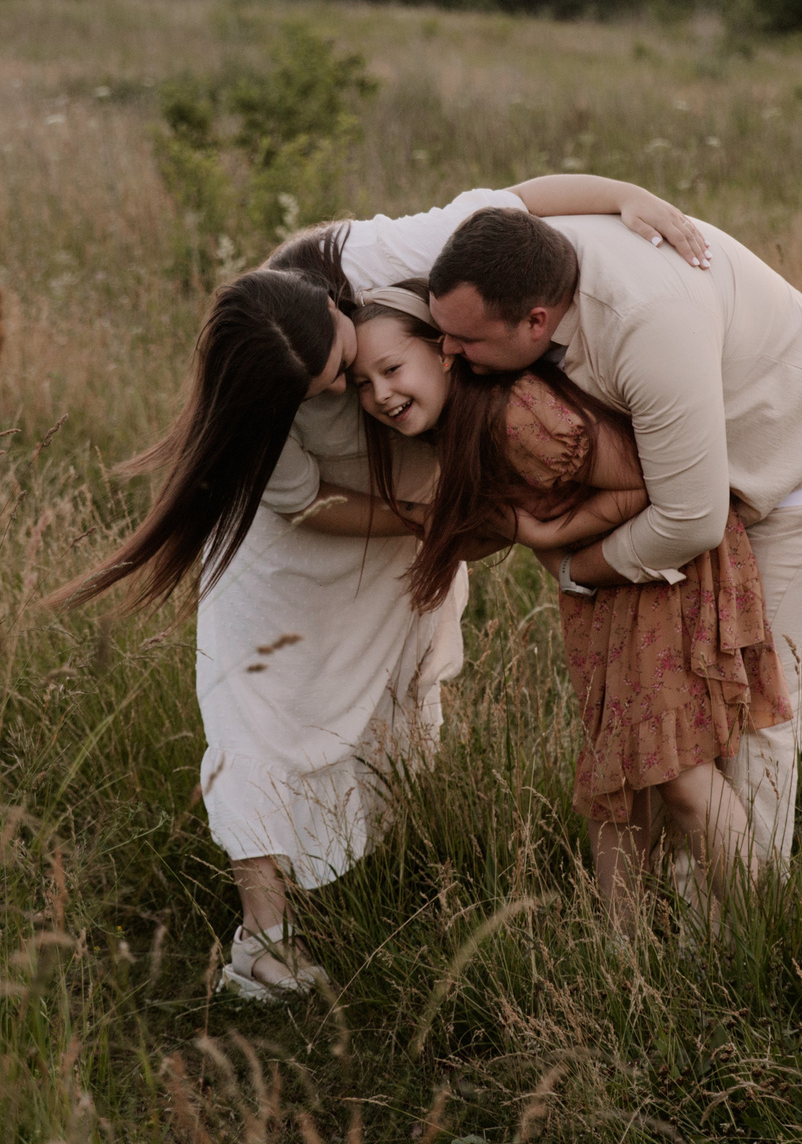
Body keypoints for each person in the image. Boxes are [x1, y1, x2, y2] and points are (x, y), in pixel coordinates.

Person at [54, 177, 704, 1000]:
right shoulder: (263, 390)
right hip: (308, 535)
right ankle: (263, 943)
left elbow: (504, 205)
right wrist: (437, 517)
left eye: (348, 363)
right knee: (261, 710)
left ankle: (384, 881)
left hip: (403, 532)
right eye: (328, 390)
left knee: (396, 698)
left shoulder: (370, 260)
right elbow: (303, 500)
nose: (346, 388)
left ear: (334, 302)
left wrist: (624, 195)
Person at [425, 206, 802, 864]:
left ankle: (750, 929)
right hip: (701, 475)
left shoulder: (647, 326)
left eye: (463, 340)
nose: (445, 351)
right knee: (687, 700)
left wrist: (576, 569)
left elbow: (689, 519)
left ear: (535, 322)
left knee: (756, 696)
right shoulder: (515, 259)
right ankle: (682, 889)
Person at [345, 286, 790, 929]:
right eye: (363, 383)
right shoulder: (459, 427)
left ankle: (767, 943)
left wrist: (552, 538)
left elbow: (652, 479)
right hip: (603, 585)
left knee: (682, 779)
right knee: (617, 779)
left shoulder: (513, 415)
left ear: (444, 352)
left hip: (661, 568)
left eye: (392, 369)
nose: (381, 394)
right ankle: (624, 954)